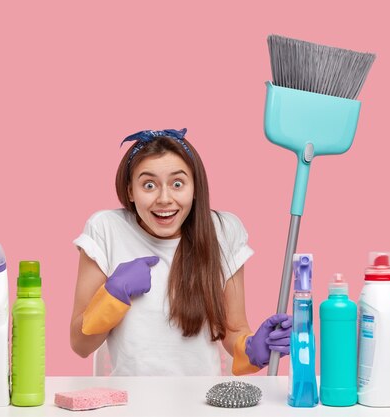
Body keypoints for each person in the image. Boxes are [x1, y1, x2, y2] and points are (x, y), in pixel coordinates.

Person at [70, 128, 291, 376]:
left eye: (177, 183)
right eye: (149, 184)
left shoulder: (223, 231)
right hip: (131, 404)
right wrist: (113, 294)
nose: (165, 198)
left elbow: (234, 330)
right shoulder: (106, 229)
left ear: (195, 187)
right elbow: (80, 345)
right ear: (130, 191)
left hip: (202, 403)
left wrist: (254, 348)